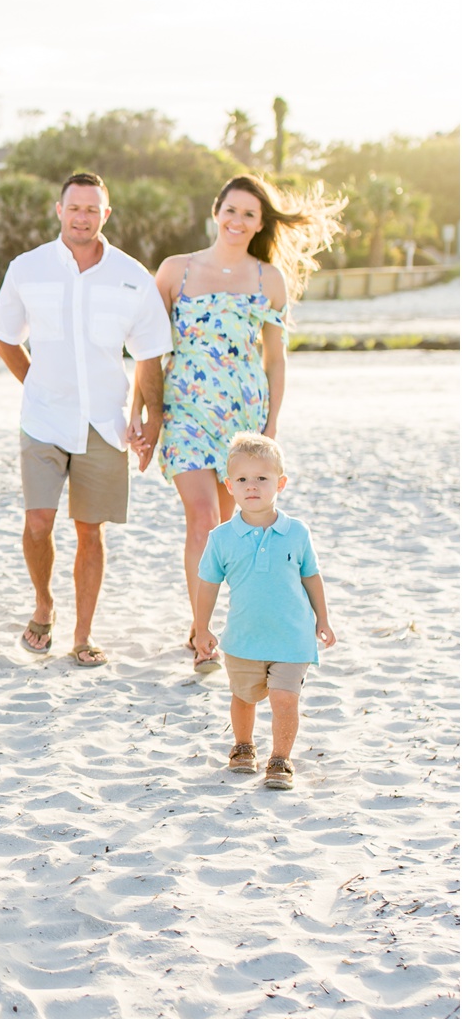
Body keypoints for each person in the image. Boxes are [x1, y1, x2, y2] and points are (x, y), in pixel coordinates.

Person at [151, 171, 342, 672]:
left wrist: (271, 424)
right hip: (186, 412)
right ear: (216, 212)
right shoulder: (176, 271)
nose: (238, 220)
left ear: (260, 224)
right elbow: (148, 351)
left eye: (249, 214)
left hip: (243, 418)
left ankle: (210, 626)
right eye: (231, 210)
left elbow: (275, 358)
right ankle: (200, 635)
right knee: (202, 519)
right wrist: (145, 415)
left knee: (226, 530)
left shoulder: (268, 279)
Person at [0, 171, 170, 667]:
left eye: (93, 209)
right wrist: (33, 382)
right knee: (37, 523)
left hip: (104, 422)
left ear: (105, 215)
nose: (83, 217)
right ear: (59, 210)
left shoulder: (132, 276)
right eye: (75, 208)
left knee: (90, 531)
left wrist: (152, 418)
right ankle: (44, 605)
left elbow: (150, 353)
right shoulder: (28, 268)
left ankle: (84, 634)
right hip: (43, 419)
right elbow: (4, 335)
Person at [193, 432, 335, 790]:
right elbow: (208, 584)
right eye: (242, 479)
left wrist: (323, 619)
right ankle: (243, 745)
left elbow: (311, 577)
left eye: (262, 478)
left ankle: (280, 758)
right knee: (243, 697)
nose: (251, 486)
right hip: (243, 637)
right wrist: (202, 627)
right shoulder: (221, 538)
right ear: (229, 486)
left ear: (280, 483)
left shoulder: (297, 532)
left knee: (285, 698)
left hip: (292, 636)